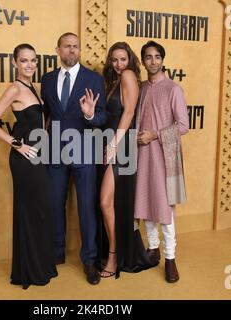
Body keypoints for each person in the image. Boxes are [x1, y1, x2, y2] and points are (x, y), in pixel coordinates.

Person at [0, 43, 57, 289]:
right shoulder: (14, 88)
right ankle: (29, 271)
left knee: (39, 211)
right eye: (24, 61)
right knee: (30, 212)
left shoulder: (32, 87)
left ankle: (39, 265)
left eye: (33, 60)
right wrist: (16, 143)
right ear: (15, 63)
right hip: (25, 160)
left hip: (39, 156)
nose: (30, 65)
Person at [41, 32, 106, 285]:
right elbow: (43, 115)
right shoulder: (46, 79)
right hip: (55, 151)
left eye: (76, 47)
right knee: (54, 203)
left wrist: (90, 115)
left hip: (84, 151)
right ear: (58, 49)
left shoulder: (93, 78)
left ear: (80, 50)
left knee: (86, 207)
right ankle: (56, 253)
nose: (72, 51)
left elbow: (102, 117)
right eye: (67, 47)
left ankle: (89, 261)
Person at [97, 42, 155, 279]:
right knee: (113, 203)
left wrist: (113, 145)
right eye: (115, 60)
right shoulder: (115, 81)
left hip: (121, 146)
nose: (119, 64)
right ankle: (114, 251)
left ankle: (113, 256)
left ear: (130, 60)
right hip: (114, 144)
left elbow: (129, 113)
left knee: (105, 201)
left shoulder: (129, 75)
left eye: (123, 59)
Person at [135, 41, 189, 283]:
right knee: (145, 202)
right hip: (142, 154)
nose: (153, 61)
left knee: (165, 208)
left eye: (157, 56)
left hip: (165, 155)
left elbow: (183, 126)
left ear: (163, 60)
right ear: (143, 61)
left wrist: (154, 134)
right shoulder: (141, 88)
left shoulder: (173, 89)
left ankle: (170, 257)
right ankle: (152, 247)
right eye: (148, 57)